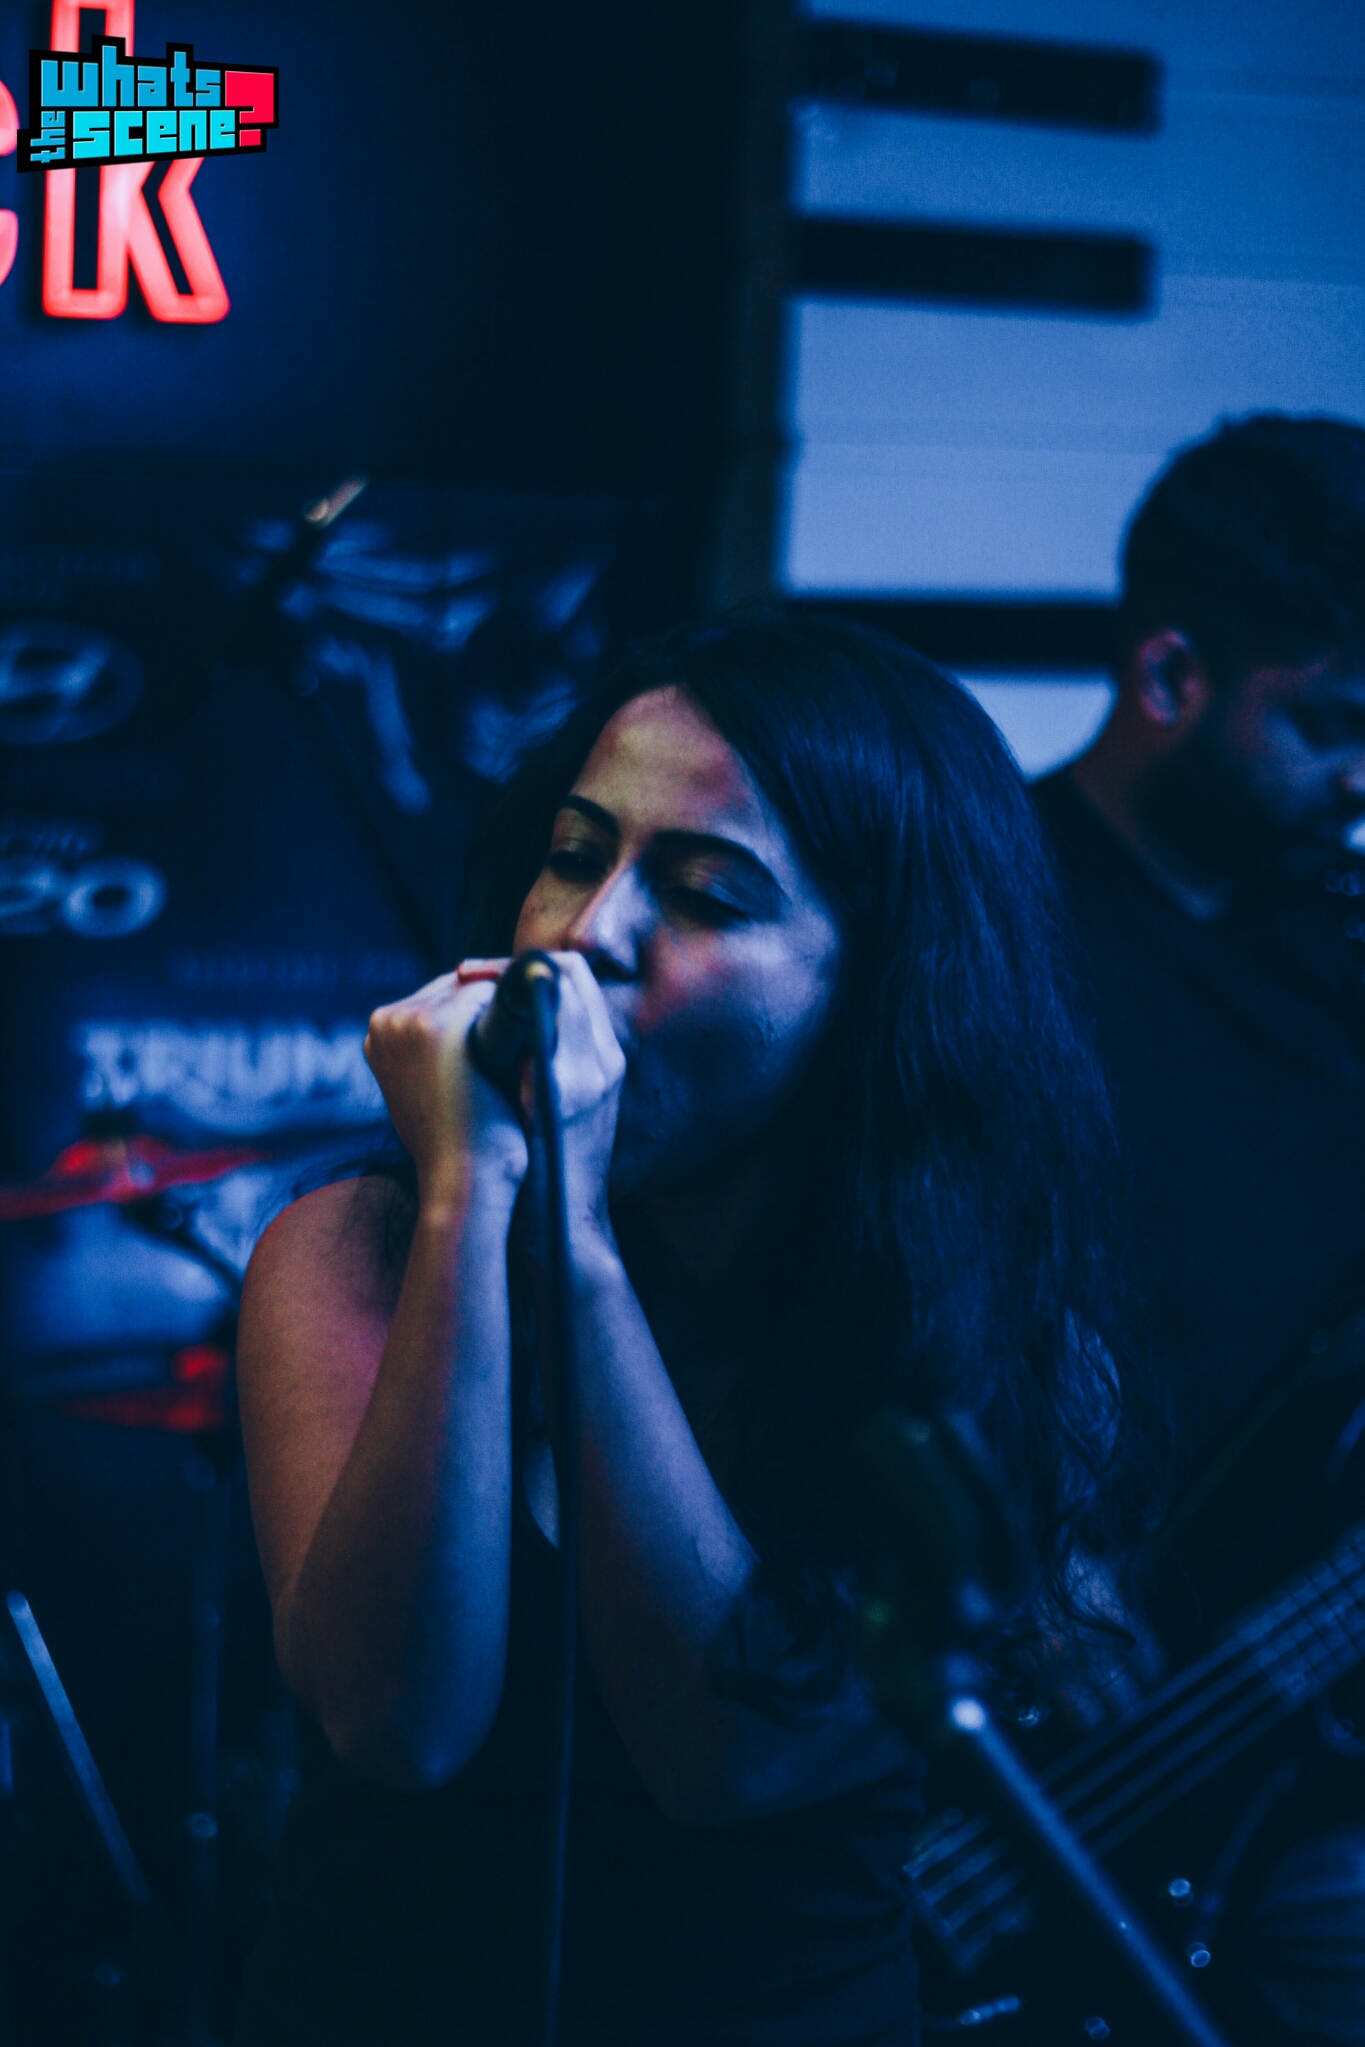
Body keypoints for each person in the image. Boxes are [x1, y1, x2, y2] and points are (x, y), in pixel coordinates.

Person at [232, 612, 1145, 2047]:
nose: (583, 937)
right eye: (575, 854)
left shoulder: (994, 1349)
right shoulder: (355, 1250)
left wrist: (574, 1245)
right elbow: (395, 1721)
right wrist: (478, 1206)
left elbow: (729, 1756)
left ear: (879, 985)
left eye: (708, 894)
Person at [1033, 414, 1365, 2044]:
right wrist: (1035, 1556)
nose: (1362, 783)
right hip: (1062, 1732)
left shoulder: (1342, 948)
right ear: (1167, 673)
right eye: (1329, 724)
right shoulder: (982, 917)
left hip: (1302, 1723)